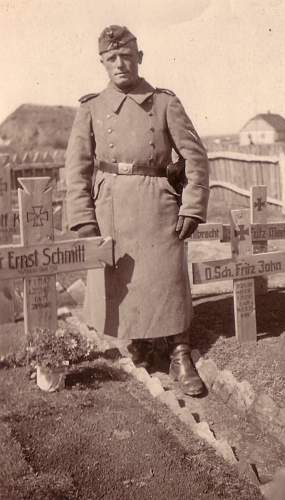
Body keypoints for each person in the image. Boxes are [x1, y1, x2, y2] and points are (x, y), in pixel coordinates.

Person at [66, 25, 210, 396]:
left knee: (167, 278)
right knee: (124, 281)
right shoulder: (91, 108)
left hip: (158, 201)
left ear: (139, 58)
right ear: (102, 62)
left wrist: (192, 207)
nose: (120, 64)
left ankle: (180, 352)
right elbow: (77, 167)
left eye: (126, 56)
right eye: (111, 58)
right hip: (110, 206)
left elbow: (194, 157)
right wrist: (83, 219)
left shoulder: (164, 103)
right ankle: (140, 342)